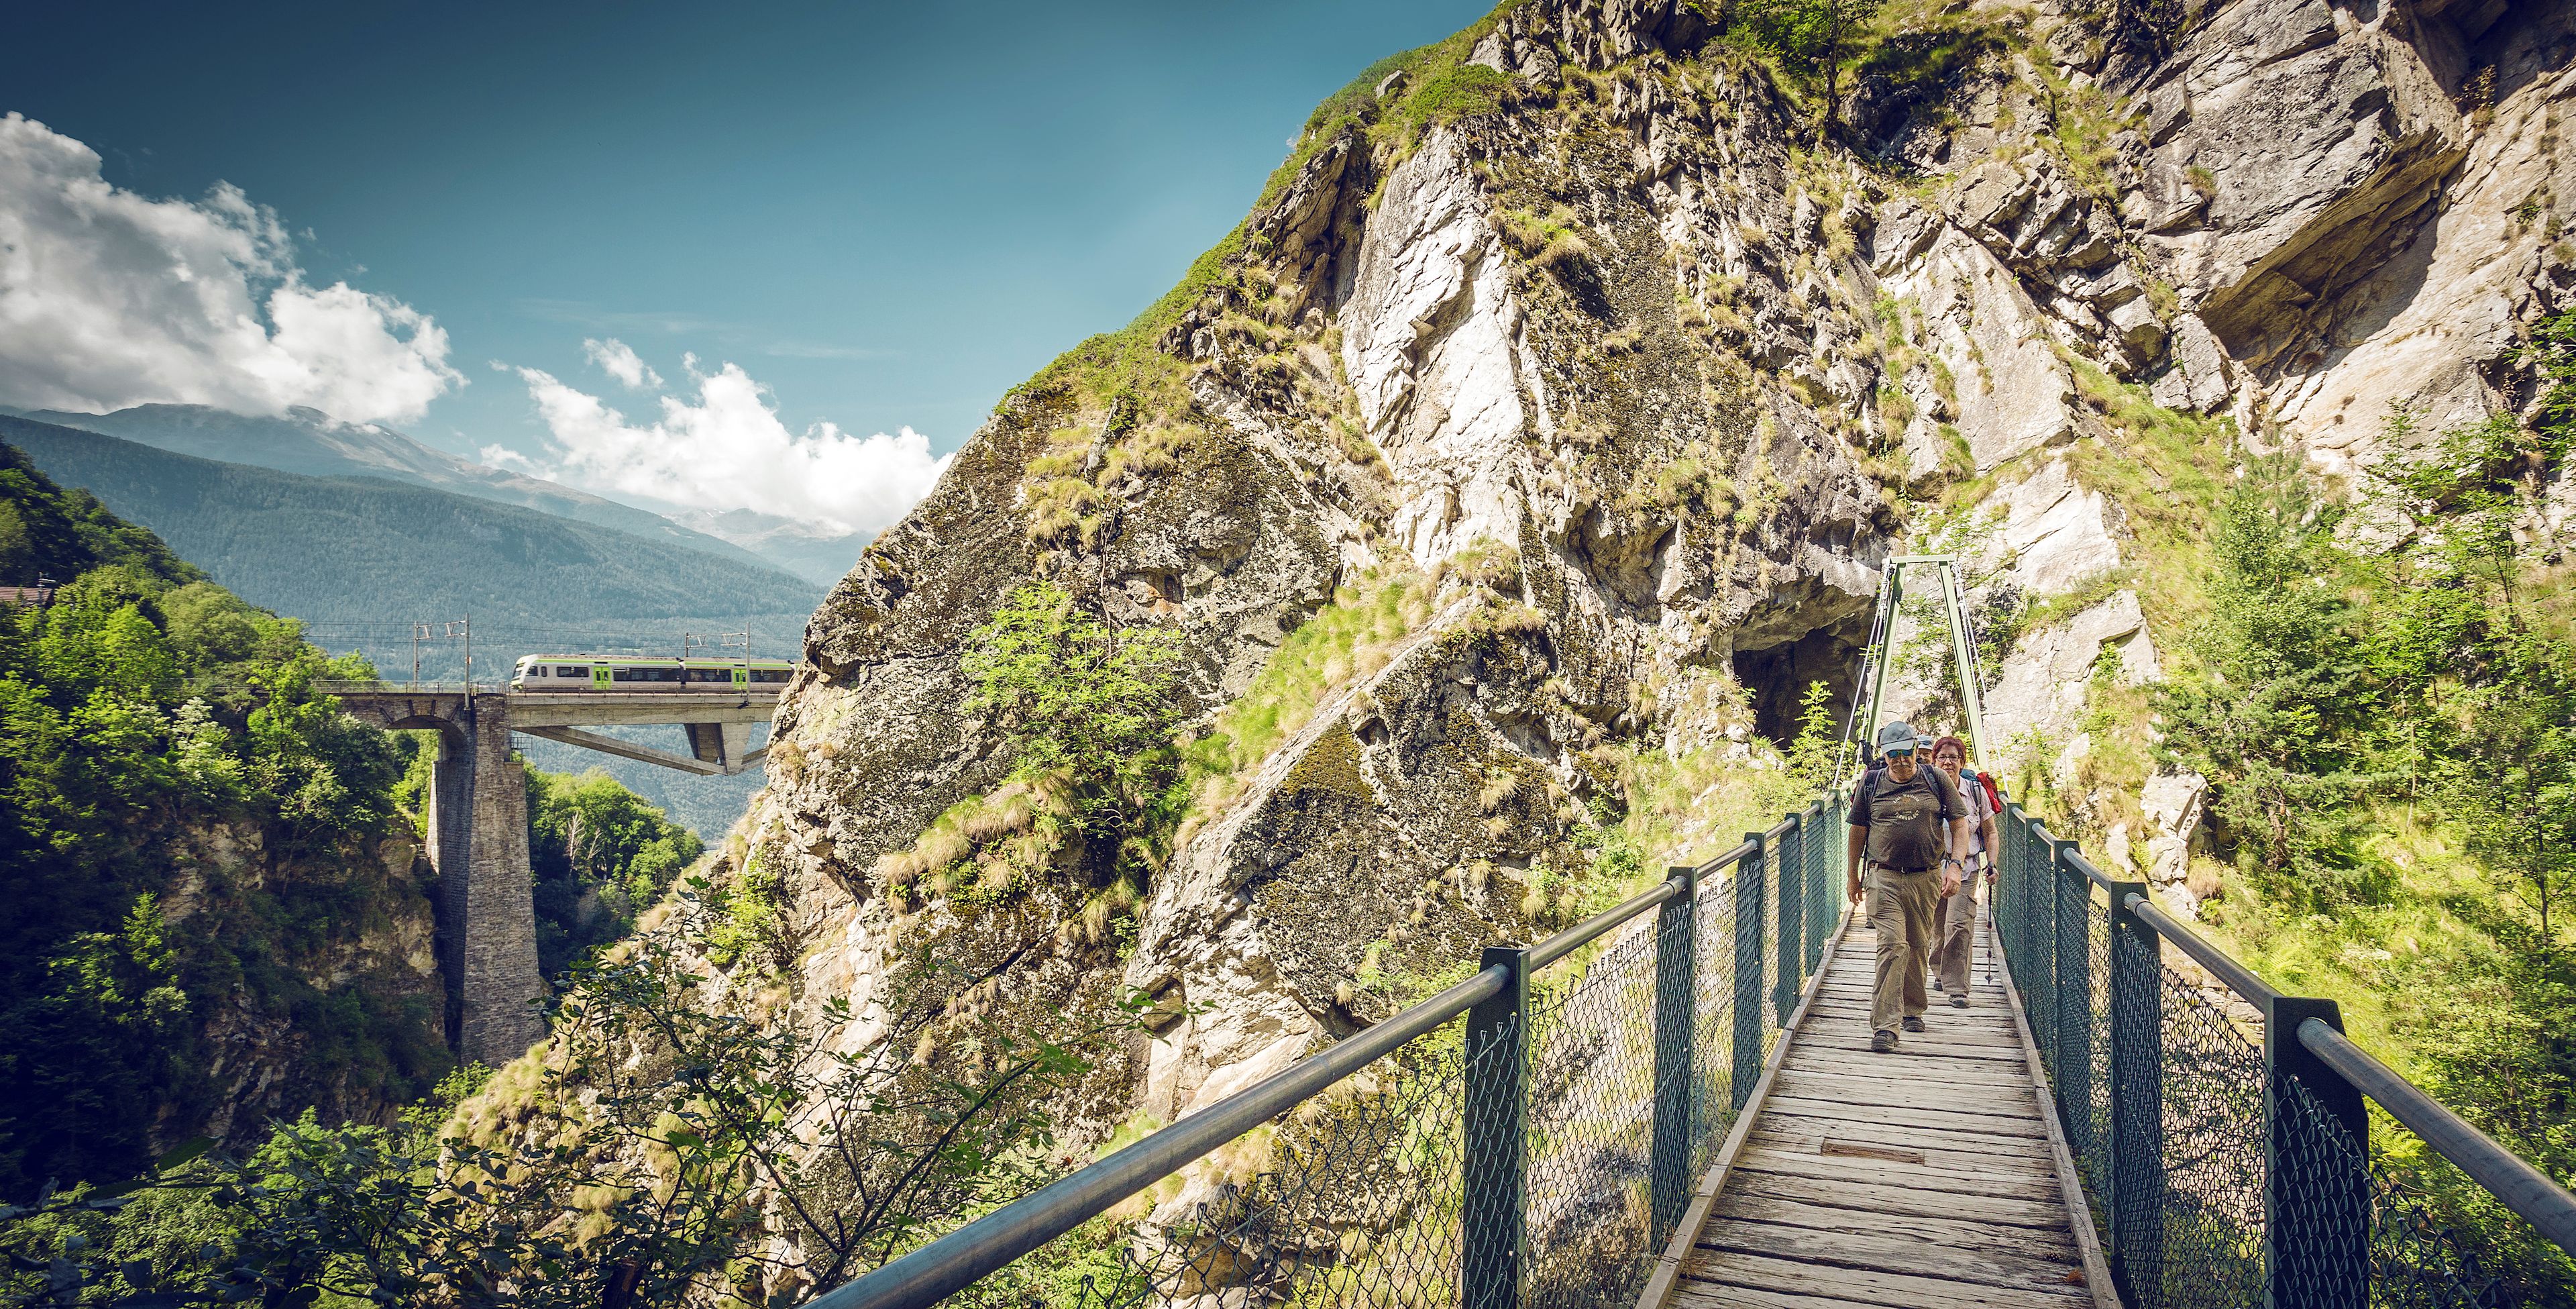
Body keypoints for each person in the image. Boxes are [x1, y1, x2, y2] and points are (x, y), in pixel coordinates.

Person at [1845, 721, 1973, 1053]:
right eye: (1893, 755)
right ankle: (1886, 1026)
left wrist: (1956, 866)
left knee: (1917, 944)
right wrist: (1852, 876)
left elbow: (1960, 826)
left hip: (1926, 875)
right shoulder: (1871, 783)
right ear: (1884, 756)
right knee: (1892, 944)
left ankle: (1913, 1008)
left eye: (1906, 753)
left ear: (1917, 750)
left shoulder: (1936, 779)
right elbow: (1857, 831)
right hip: (1883, 876)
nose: (1901, 761)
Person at [1927, 735, 2000, 1005]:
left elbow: (1990, 833)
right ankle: (1939, 970)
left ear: (1962, 762)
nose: (1948, 762)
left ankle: (1957, 987)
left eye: (1953, 758)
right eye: (1942, 757)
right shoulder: (1926, 790)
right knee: (1937, 926)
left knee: (1958, 925)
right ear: (1933, 761)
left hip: (1966, 868)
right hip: (1931, 869)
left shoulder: (1976, 792)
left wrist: (1992, 863)